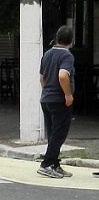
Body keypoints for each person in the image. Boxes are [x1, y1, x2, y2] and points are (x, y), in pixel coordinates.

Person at [38, 25, 75, 179]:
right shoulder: (67, 56)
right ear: (71, 41)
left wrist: (47, 91)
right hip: (59, 100)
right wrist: (68, 95)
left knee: (52, 133)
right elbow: (63, 76)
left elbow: (41, 78)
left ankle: (54, 164)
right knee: (59, 134)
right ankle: (46, 164)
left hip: (46, 98)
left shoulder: (47, 54)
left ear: (57, 38)